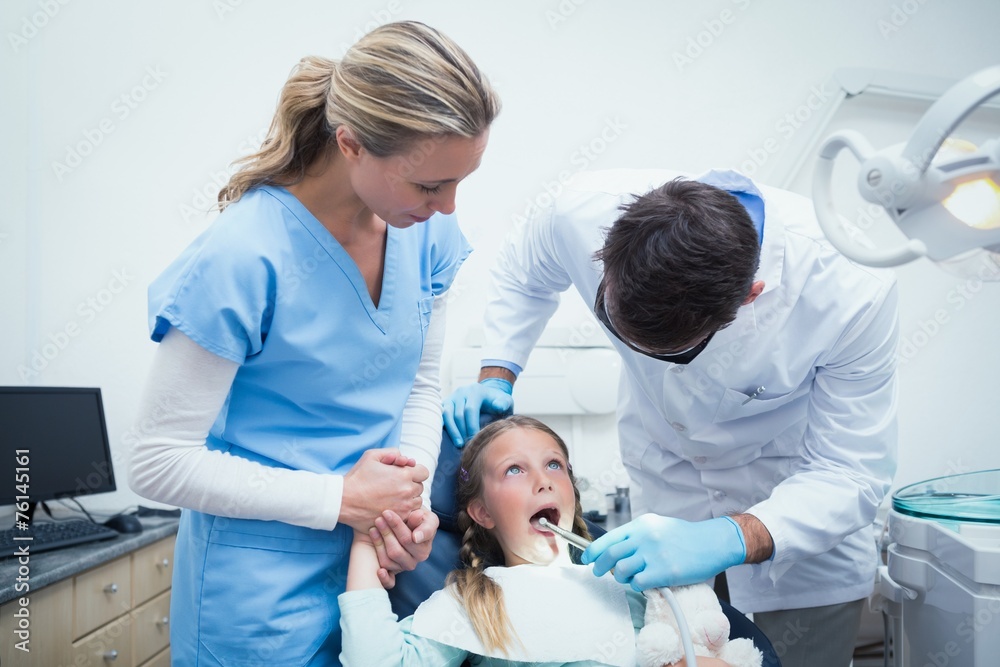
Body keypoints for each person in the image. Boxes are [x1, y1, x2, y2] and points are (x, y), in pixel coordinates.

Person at [127, 21, 500, 665]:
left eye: (460, 181)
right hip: (256, 599)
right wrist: (341, 500)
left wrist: (405, 505)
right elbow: (156, 461)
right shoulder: (244, 255)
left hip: (372, 572)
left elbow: (417, 381)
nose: (447, 207)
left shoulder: (424, 233)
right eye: (430, 185)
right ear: (352, 143)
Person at [444, 169, 899, 667]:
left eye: (555, 464)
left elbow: (851, 472)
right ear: (605, 256)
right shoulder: (580, 212)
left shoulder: (853, 292)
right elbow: (523, 274)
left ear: (749, 295)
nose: (543, 481)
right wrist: (498, 372)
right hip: (668, 475)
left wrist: (728, 536)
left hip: (793, 512)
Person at [340, 415, 734, 666]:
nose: (542, 479)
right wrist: (364, 537)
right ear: (483, 512)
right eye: (514, 469)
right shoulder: (474, 603)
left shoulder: (628, 589)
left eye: (553, 464)